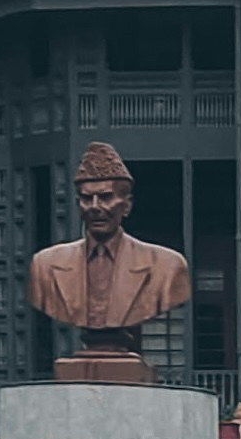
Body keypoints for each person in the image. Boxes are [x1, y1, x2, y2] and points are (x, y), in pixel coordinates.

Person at [28, 144, 189, 384]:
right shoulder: (45, 265)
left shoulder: (167, 266)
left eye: (105, 197)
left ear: (127, 205)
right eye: (86, 198)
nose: (95, 207)